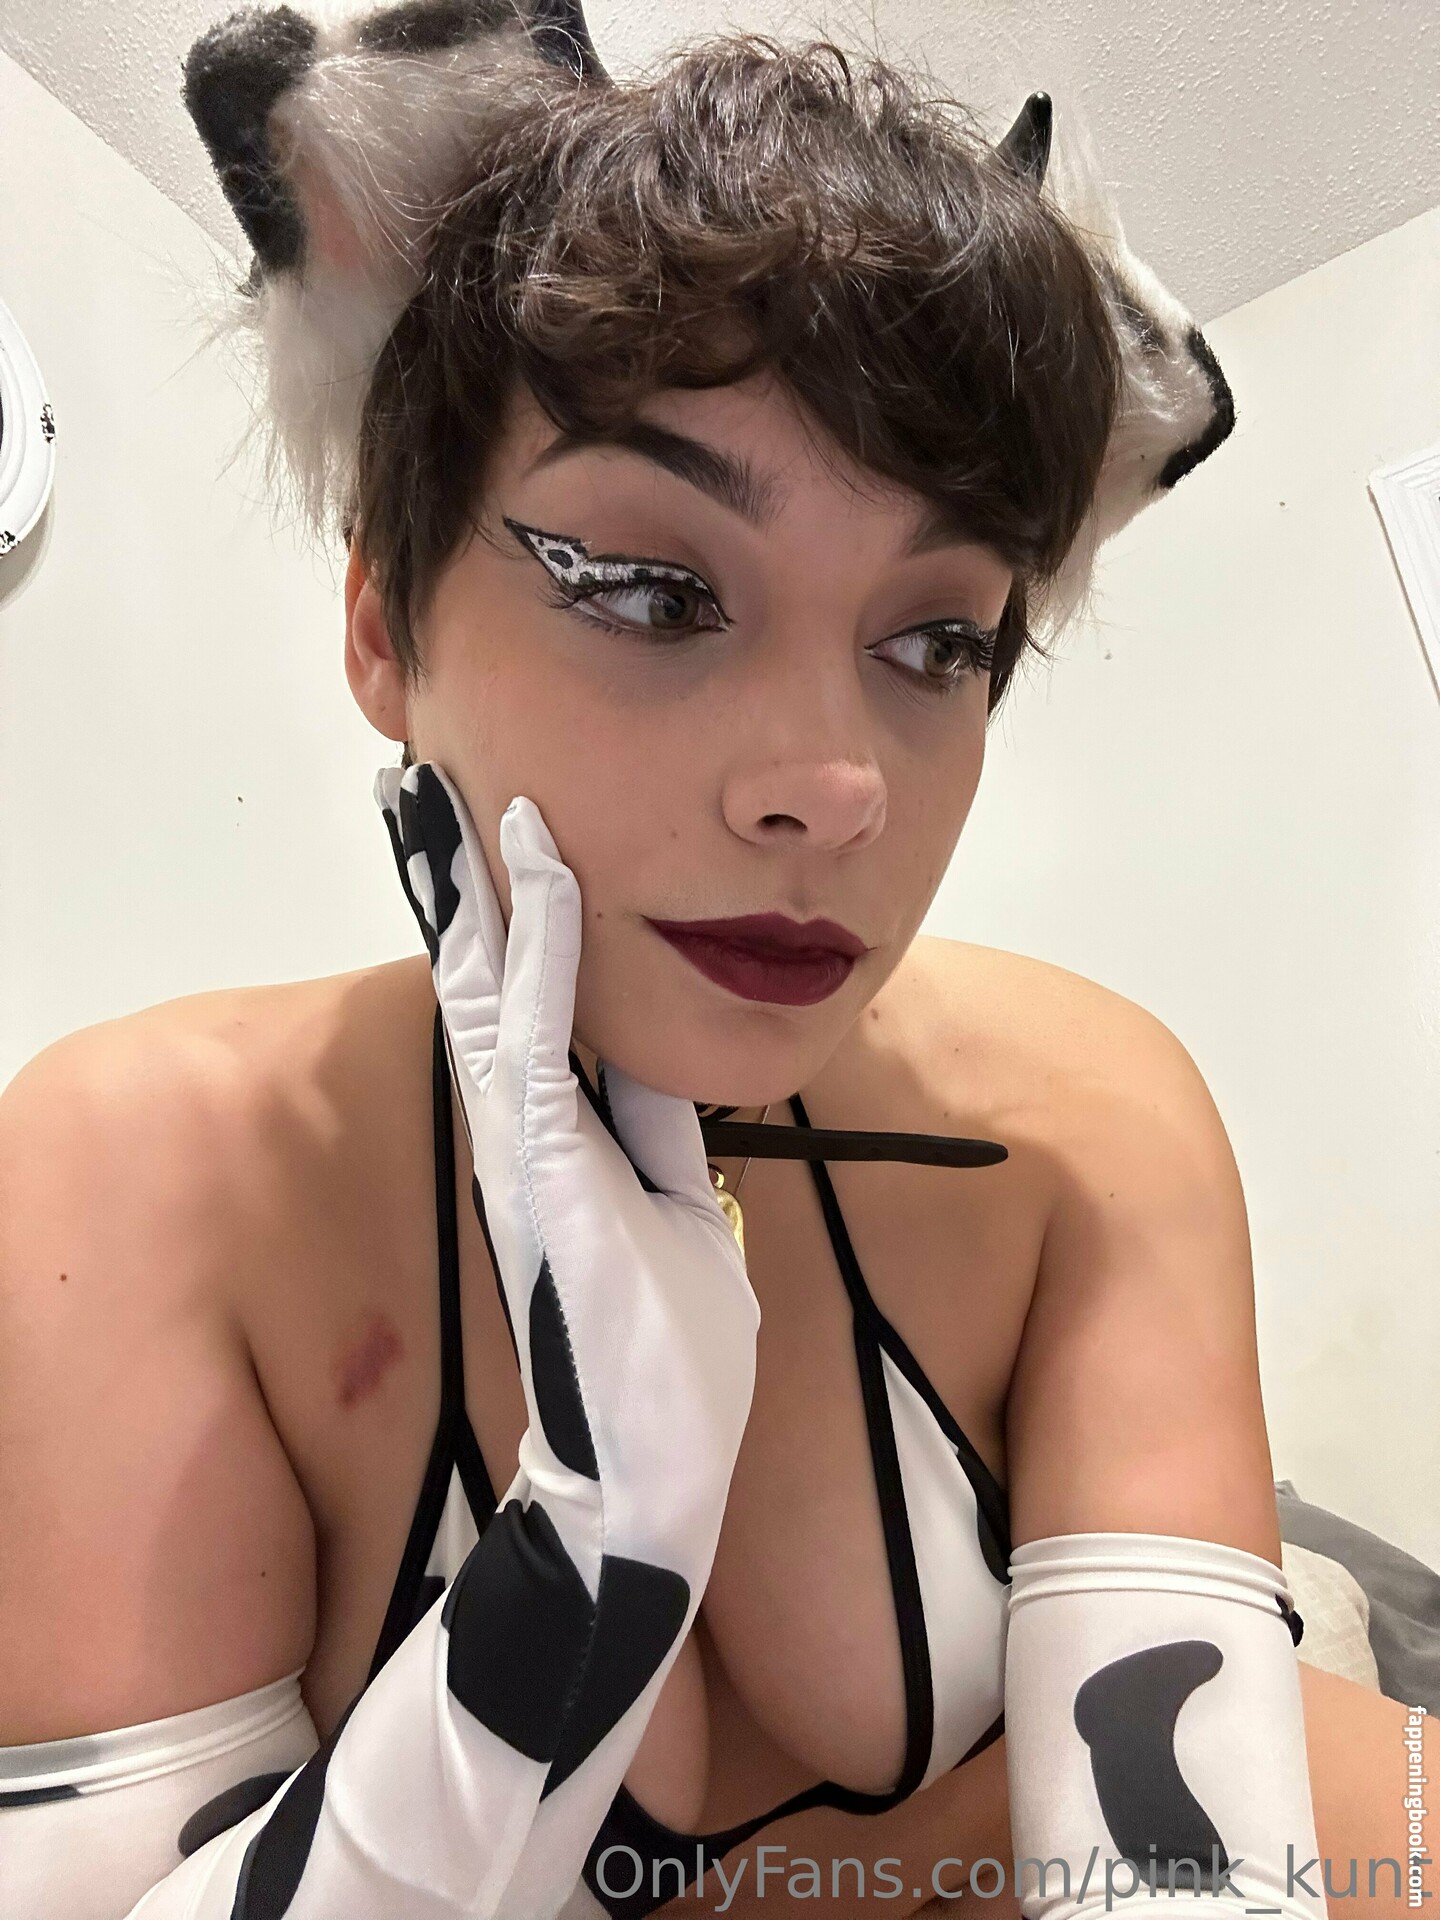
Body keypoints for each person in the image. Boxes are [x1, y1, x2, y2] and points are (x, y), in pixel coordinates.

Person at [0, 2, 1430, 1916]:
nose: (835, 788)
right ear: (382, 624)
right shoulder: (134, 1174)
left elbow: (1192, 1868)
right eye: (657, 590)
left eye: (937, 640)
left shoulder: (1088, 1124)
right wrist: (586, 1561)